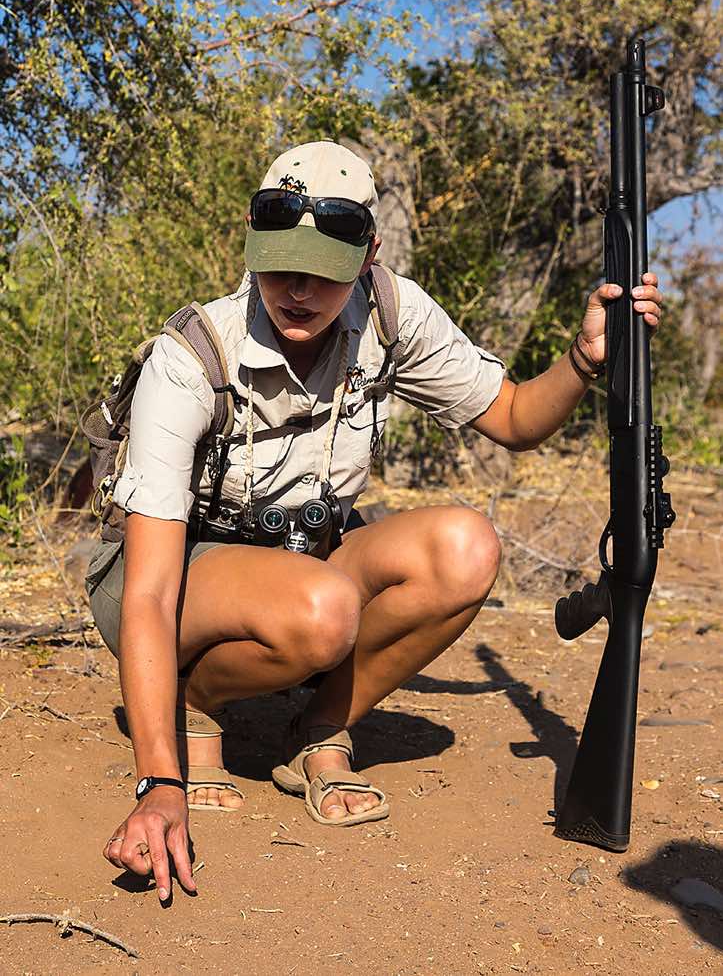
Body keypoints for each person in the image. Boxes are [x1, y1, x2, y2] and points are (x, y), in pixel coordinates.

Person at [85, 140, 663, 902]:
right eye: (279, 266)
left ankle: (316, 730)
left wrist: (585, 359)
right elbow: (151, 592)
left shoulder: (391, 313)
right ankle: (189, 706)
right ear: (251, 244)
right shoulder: (192, 356)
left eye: (322, 271)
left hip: (301, 567)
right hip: (164, 576)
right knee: (321, 608)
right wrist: (157, 783)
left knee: (464, 547)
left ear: (367, 257)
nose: (296, 290)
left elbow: (515, 417)